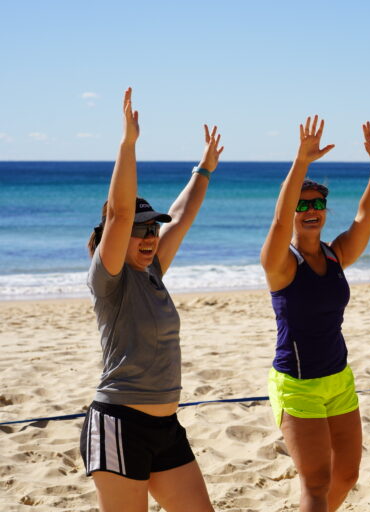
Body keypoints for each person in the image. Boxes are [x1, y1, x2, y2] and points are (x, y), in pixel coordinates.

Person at [81, 88, 222, 511]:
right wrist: (128, 145)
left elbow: (179, 217)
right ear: (117, 237)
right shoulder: (110, 281)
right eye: (140, 231)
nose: (149, 237)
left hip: (166, 429)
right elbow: (121, 213)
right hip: (119, 423)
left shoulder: (152, 271)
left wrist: (204, 169)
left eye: (151, 230)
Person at [260, 116, 370, 512]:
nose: (311, 210)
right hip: (297, 385)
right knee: (315, 483)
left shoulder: (335, 254)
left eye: (317, 204)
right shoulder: (280, 262)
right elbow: (281, 221)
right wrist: (301, 163)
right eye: (303, 204)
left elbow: (366, 218)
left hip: (339, 378)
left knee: (346, 476)